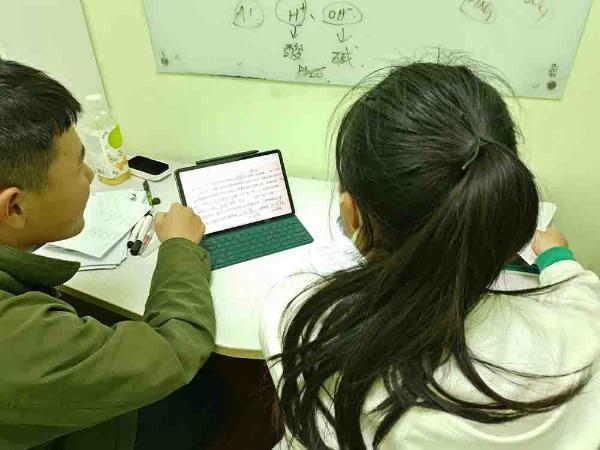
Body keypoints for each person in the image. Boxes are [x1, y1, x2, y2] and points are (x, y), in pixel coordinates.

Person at [260, 63, 600, 449]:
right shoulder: (582, 332)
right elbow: (583, 296)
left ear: (351, 214)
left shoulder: (300, 317)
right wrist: (558, 258)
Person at [0, 59, 223, 449]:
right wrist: (181, 248)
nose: (90, 176)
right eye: (78, 168)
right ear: (14, 208)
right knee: (208, 397)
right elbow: (172, 351)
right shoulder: (17, 338)